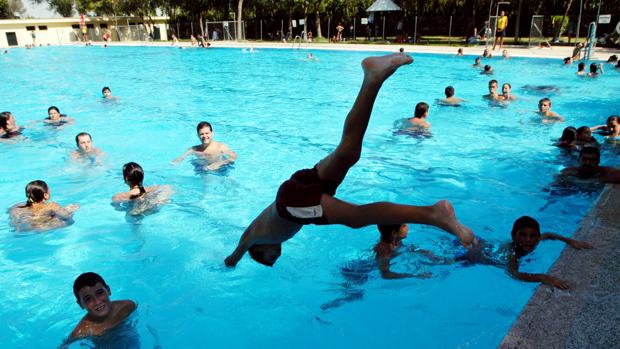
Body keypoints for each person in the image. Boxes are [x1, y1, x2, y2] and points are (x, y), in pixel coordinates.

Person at [224, 53, 476, 268]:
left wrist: (232, 261)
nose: (274, 259)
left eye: (269, 260)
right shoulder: (267, 231)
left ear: (259, 251)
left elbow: (240, 246)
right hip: (294, 188)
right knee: (348, 152)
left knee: (356, 217)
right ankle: (372, 78)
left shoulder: (256, 237)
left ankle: (433, 213)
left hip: (291, 204)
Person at [459, 216, 592, 290]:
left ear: (537, 236)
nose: (528, 240)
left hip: (484, 245)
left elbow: (548, 234)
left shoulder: (536, 240)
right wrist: (543, 277)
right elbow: (514, 274)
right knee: (447, 261)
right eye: (522, 235)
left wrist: (570, 241)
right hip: (472, 256)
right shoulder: (513, 253)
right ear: (513, 236)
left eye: (532, 236)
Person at [68, 272, 136, 340]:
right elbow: (64, 345)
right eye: (88, 299)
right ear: (80, 304)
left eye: (99, 293)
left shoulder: (127, 307)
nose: (97, 302)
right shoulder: (83, 330)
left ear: (108, 290)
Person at [9, 180, 79, 232]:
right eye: (49, 190)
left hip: (20, 228)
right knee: (68, 222)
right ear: (45, 195)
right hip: (37, 228)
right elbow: (66, 216)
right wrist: (70, 210)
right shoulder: (52, 206)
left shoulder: (17, 206)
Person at [172, 121, 237, 171]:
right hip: (203, 170)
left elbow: (233, 156)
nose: (205, 136)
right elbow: (182, 157)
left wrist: (219, 164)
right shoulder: (194, 149)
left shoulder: (220, 146)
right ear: (198, 135)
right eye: (201, 134)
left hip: (220, 170)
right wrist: (176, 161)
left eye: (207, 133)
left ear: (212, 133)